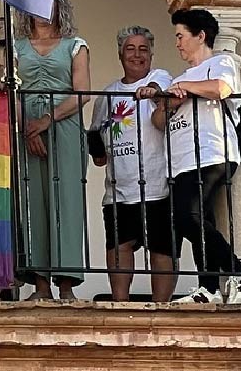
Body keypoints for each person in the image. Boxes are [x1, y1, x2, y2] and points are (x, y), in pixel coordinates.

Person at [137, 9, 241, 304]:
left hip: (211, 152)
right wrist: (164, 102)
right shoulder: (182, 78)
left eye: (180, 36)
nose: (177, 43)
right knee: (200, 219)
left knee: (186, 217)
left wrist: (185, 89)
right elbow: (159, 123)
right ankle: (209, 288)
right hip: (182, 160)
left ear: (200, 36)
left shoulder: (220, 63)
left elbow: (222, 88)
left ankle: (240, 272)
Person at [14, 0, 90, 301]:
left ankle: (66, 285)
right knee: (33, 200)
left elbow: (82, 93)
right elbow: (14, 92)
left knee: (65, 201)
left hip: (65, 126)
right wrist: (27, 130)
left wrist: (48, 120)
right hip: (28, 126)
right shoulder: (17, 47)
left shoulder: (76, 46)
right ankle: (40, 285)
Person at [89, 26, 176, 302]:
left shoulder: (158, 76)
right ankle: (120, 304)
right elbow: (94, 131)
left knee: (161, 249)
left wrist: (151, 91)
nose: (137, 55)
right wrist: (99, 155)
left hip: (157, 183)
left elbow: (160, 88)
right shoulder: (109, 93)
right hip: (119, 187)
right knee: (119, 246)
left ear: (151, 54)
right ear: (120, 54)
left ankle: (160, 308)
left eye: (143, 49)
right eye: (130, 48)